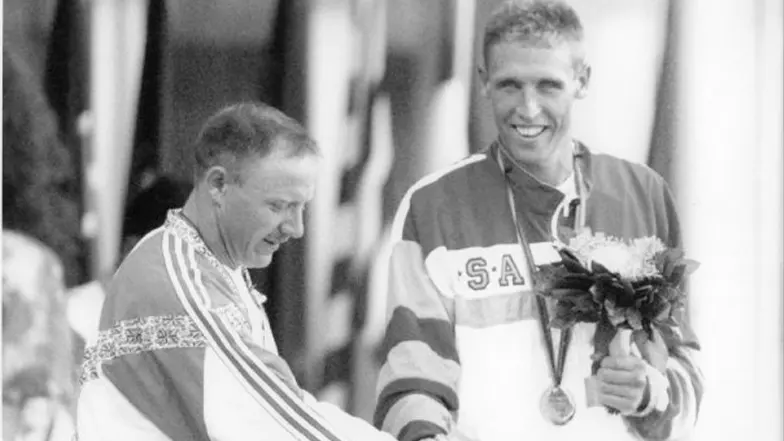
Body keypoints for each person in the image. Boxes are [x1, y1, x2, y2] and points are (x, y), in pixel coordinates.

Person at [373, 1, 703, 440]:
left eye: (548, 86)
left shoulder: (642, 194)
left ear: (582, 81)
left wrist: (649, 393)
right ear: (484, 82)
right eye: (510, 85)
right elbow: (411, 375)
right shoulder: (433, 206)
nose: (528, 109)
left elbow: (687, 373)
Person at [74, 102, 396, 440]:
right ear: (217, 185)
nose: (296, 227)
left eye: (302, 207)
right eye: (278, 206)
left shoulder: (199, 265)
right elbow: (272, 423)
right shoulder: (179, 278)